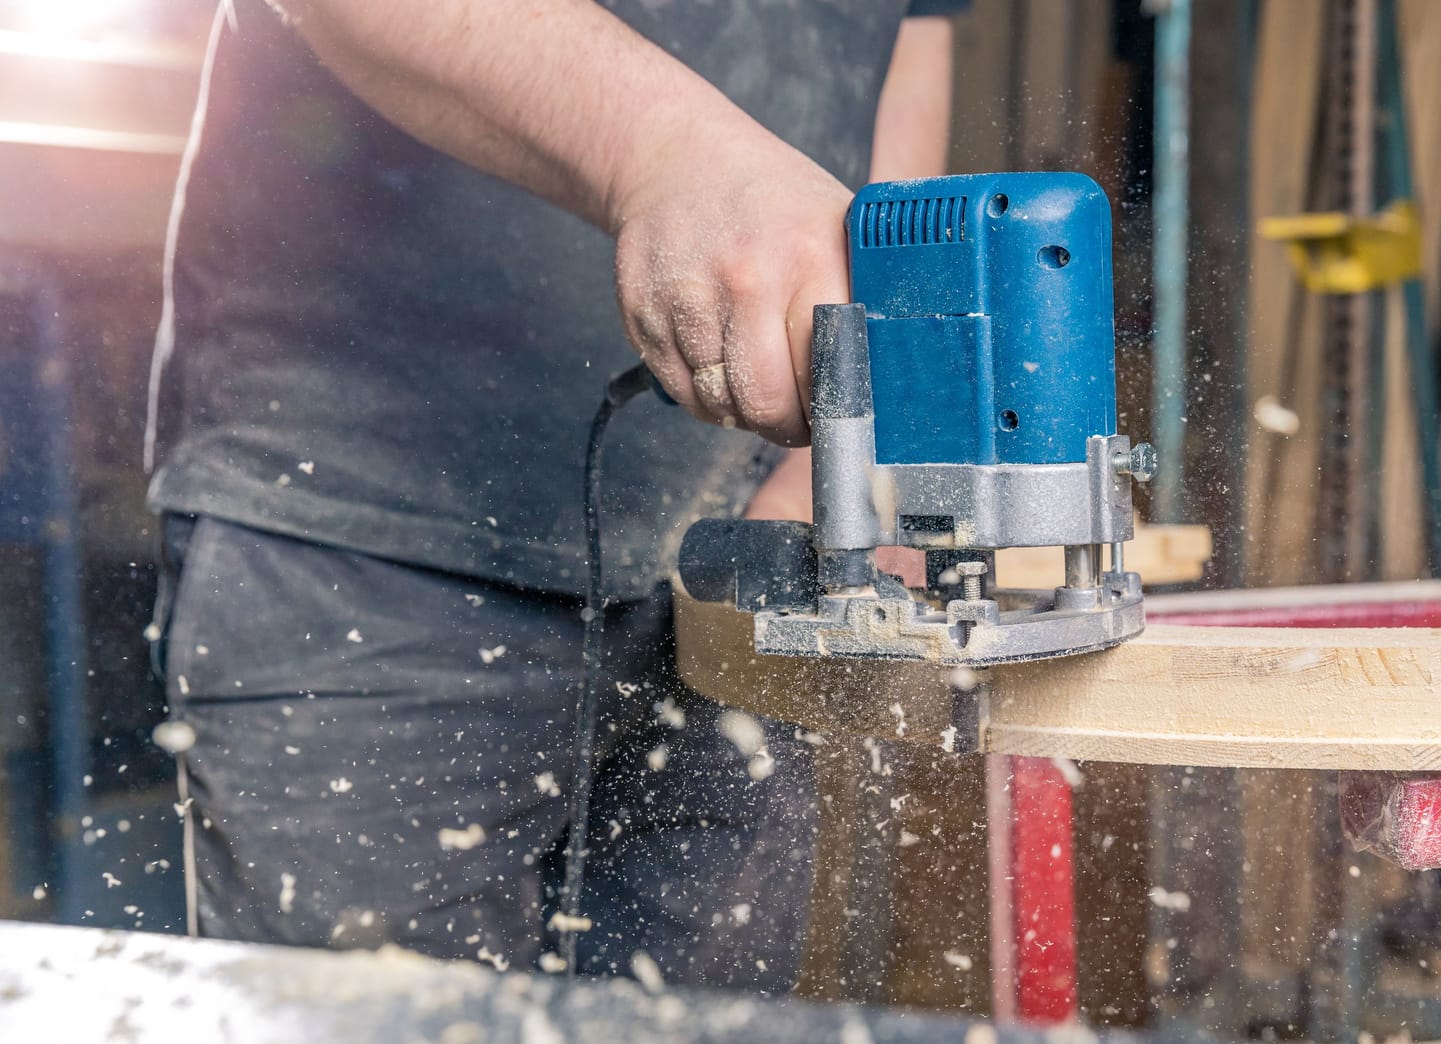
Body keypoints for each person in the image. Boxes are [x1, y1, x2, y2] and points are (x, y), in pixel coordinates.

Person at [144, 0, 961, 989]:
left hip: (735, 564)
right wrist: (666, 151)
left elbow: (911, 44)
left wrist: (838, 459)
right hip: (377, 531)